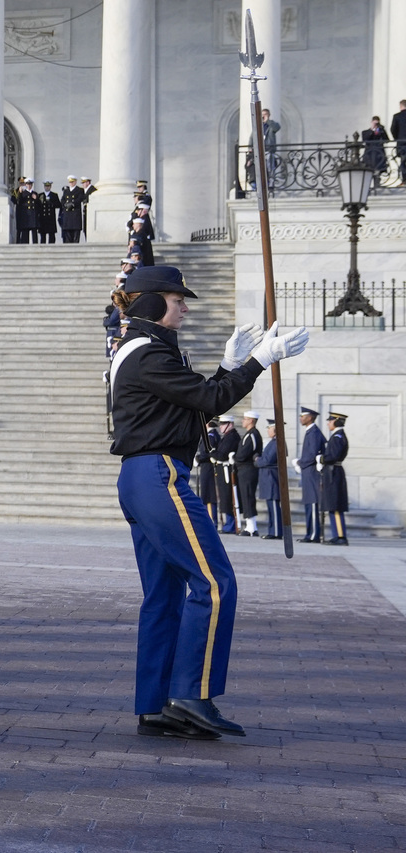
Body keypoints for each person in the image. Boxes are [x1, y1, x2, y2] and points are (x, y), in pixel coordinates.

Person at [109, 264, 308, 739]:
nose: (183, 307)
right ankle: (191, 695)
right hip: (159, 474)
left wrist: (228, 366)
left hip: (141, 475)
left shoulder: (142, 349)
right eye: (177, 300)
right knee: (214, 583)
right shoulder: (148, 354)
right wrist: (260, 361)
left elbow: (194, 403)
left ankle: (157, 703)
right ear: (153, 303)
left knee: (163, 596)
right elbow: (212, 400)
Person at [294, 406, 325, 543]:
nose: (301, 418)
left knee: (312, 503)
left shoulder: (313, 433)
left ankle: (313, 535)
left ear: (310, 417)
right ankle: (309, 534)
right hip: (308, 472)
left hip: (312, 472)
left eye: (303, 416)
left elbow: (312, 454)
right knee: (308, 503)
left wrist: (300, 462)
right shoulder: (310, 432)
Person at [320, 411, 349, 546]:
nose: (328, 423)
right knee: (332, 505)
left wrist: (321, 459)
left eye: (330, 421)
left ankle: (341, 536)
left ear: (336, 422)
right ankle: (337, 535)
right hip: (332, 472)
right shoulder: (337, 436)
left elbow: (333, 456)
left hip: (334, 473)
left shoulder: (337, 437)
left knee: (335, 506)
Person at [235, 411, 263, 536]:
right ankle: (250, 525)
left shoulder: (252, 435)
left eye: (245, 419)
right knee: (245, 497)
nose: (243, 421)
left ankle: (251, 527)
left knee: (248, 496)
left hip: (248, 469)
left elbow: (244, 453)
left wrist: (235, 458)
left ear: (251, 420)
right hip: (244, 469)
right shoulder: (249, 434)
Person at [211, 414, 240, 534]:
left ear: (230, 424)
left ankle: (230, 524)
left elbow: (222, 455)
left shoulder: (232, 437)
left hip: (227, 470)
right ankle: (228, 524)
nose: (221, 427)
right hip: (222, 471)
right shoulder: (226, 437)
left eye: (224, 424)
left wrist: (213, 454)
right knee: (224, 498)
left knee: (228, 498)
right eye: (221, 424)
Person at [256, 419, 282, 539]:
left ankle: (276, 532)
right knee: (271, 505)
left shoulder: (277, 442)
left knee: (274, 507)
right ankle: (272, 530)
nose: (268, 430)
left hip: (272, 477)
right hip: (268, 477)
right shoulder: (273, 442)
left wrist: (257, 461)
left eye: (269, 428)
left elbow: (267, 460)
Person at [194, 418, 219, 521]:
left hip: (208, 467)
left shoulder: (210, 436)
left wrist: (198, 459)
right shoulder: (210, 435)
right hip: (206, 466)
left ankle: (210, 519)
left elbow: (207, 453)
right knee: (205, 493)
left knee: (208, 494)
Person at [60, 176, 85, 243]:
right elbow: (62, 200)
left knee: (76, 236)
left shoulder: (79, 190)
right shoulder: (66, 191)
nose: (71, 183)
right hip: (67, 214)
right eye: (70, 182)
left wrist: (72, 204)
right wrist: (65, 205)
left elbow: (80, 199)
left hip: (75, 215)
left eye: (72, 182)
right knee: (68, 236)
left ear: (75, 182)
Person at [13, 178, 38, 244]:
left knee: (34, 235)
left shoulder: (35, 193)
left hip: (33, 216)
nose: (29, 186)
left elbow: (39, 205)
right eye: (27, 184)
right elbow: (18, 202)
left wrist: (36, 199)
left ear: (32, 185)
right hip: (26, 216)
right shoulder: (23, 193)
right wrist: (20, 193)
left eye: (30, 184)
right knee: (25, 235)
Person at [392, 100, 406, 183]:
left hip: (402, 143)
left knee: (403, 161)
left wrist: (397, 138)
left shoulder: (397, 116)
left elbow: (393, 129)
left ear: (401, 106)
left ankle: (404, 179)